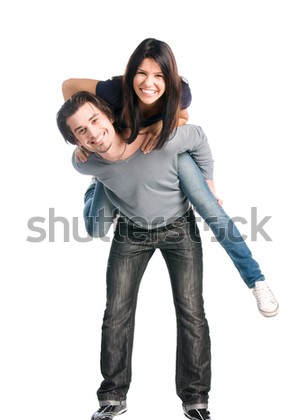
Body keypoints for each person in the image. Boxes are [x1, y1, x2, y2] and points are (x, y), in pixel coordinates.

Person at [62, 38, 279, 317]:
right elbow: (68, 87)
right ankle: (97, 185)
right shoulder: (115, 90)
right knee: (94, 227)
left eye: (159, 76)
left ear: (170, 79)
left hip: (168, 154)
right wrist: (82, 135)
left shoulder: (181, 94)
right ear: (130, 74)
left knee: (211, 209)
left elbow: (185, 118)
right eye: (141, 73)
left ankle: (256, 280)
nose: (148, 83)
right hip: (115, 160)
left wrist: (166, 126)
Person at [57, 91, 214, 420]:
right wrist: (84, 150)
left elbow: (196, 134)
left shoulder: (151, 133)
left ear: (110, 116)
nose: (92, 132)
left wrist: (210, 182)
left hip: (178, 228)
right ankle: (112, 397)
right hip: (130, 232)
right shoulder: (84, 160)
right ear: (75, 141)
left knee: (191, 312)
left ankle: (196, 400)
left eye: (95, 121)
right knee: (116, 312)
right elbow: (83, 152)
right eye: (80, 132)